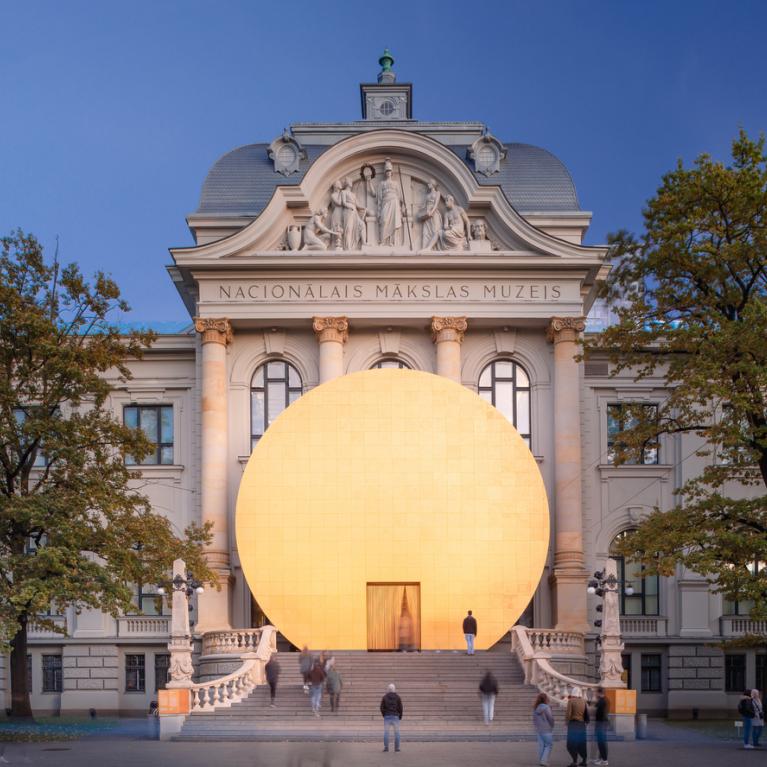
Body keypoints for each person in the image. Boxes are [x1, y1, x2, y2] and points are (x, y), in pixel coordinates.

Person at [565, 687, 589, 767]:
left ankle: (574, 762)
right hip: (582, 725)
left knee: (570, 744)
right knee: (582, 743)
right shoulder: (583, 701)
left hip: (573, 724)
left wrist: (566, 722)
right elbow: (586, 713)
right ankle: (584, 761)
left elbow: (568, 713)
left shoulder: (571, 701)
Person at [532, 692, 555, 766]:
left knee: (541, 745)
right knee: (549, 745)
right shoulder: (546, 707)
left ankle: (541, 760)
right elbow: (550, 718)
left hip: (539, 730)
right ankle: (543, 761)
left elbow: (534, 720)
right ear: (546, 699)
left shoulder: (535, 708)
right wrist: (552, 725)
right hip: (546, 729)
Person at [380, 682, 403, 752]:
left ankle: (386, 748)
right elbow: (400, 707)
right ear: (394, 689)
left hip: (387, 716)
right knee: (397, 733)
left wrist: (384, 714)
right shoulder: (398, 697)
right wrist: (400, 716)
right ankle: (397, 748)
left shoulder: (384, 697)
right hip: (395, 716)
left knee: (386, 733)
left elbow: (381, 707)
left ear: (388, 689)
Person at [593, 686, 609, 765]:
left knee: (601, 742)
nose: (595, 693)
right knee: (602, 742)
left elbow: (595, 711)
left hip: (601, 723)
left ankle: (605, 760)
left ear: (599, 693)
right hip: (602, 723)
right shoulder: (604, 700)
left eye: (596, 692)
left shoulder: (601, 701)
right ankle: (600, 759)